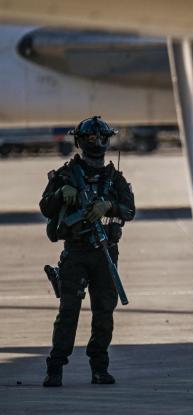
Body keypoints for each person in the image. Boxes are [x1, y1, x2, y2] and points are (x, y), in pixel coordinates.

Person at [39, 116, 135, 387]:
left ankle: (99, 368)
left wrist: (109, 207)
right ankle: (55, 368)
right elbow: (46, 206)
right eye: (91, 138)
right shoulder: (65, 175)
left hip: (105, 253)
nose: (97, 143)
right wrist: (61, 192)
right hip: (77, 253)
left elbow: (130, 210)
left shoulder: (114, 179)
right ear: (80, 141)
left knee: (104, 312)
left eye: (101, 138)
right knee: (69, 312)